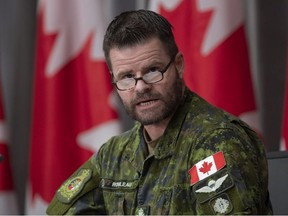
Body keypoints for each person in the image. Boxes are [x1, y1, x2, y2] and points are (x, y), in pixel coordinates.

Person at [46, 9, 272, 215]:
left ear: (179, 65)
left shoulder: (217, 142)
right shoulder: (114, 154)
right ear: (114, 80)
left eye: (153, 70)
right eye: (127, 77)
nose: (141, 87)